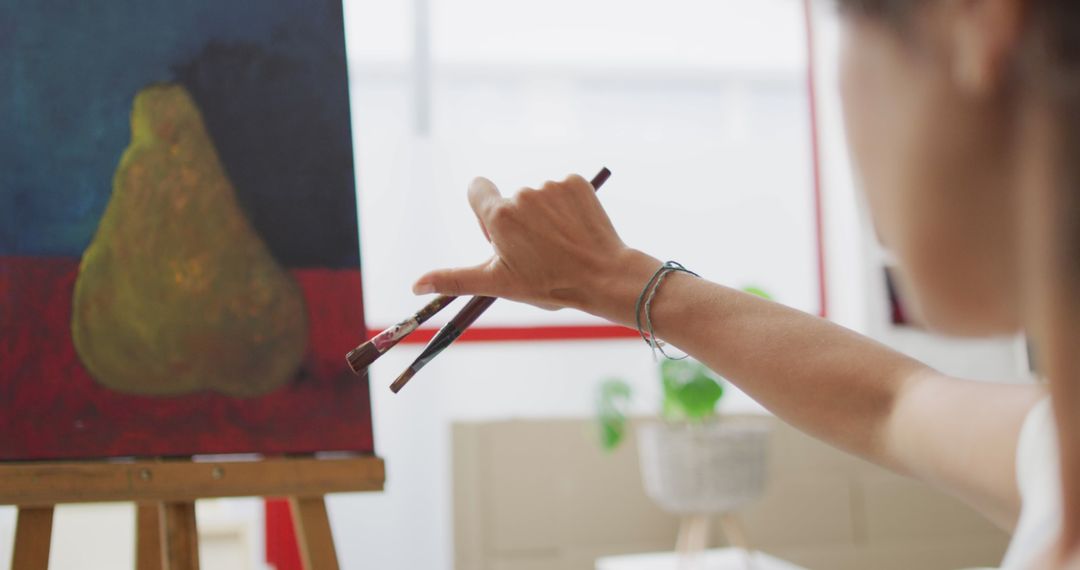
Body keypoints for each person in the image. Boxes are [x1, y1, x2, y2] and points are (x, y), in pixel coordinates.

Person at [411, 1, 1079, 568]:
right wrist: (613, 277)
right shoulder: (1057, 448)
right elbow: (888, 403)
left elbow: (892, 405)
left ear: (975, 21)